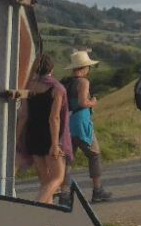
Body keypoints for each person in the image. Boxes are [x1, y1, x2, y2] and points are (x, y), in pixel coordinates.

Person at [61, 50, 112, 203]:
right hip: (81, 123)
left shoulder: (67, 83)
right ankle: (97, 190)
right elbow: (83, 102)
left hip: (69, 123)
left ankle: (64, 194)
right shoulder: (83, 82)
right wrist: (93, 102)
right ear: (84, 68)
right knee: (94, 155)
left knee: (68, 159)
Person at [16, 53, 67, 204]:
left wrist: (17, 138)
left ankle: (46, 214)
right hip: (49, 135)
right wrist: (55, 143)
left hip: (32, 134)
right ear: (51, 68)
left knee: (45, 181)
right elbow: (54, 118)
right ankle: (36, 205)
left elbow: (23, 115)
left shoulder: (27, 87)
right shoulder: (57, 88)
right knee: (58, 177)